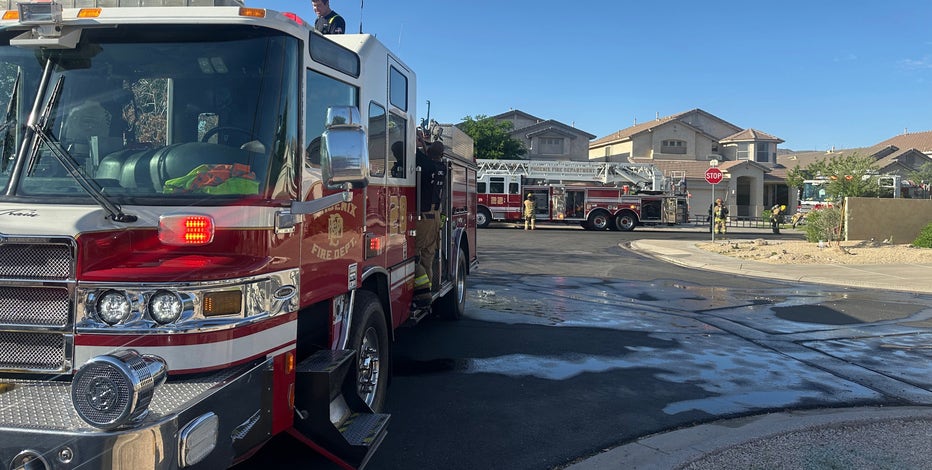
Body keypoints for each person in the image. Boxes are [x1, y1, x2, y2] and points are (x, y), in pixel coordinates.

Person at [412, 140, 445, 307]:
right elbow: (428, 159)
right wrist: (426, 147)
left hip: (423, 216)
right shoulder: (441, 168)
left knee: (414, 255)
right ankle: (427, 293)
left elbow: (405, 149)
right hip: (436, 215)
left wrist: (414, 139)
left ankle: (421, 294)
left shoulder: (427, 166)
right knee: (428, 256)